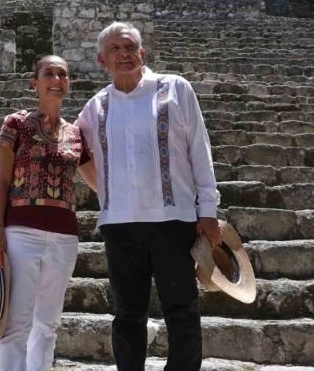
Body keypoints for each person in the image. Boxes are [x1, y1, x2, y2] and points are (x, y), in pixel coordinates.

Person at [75, 22, 221, 371]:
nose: (124, 54)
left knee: (182, 308)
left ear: (142, 53)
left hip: (174, 220)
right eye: (115, 49)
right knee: (127, 314)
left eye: (130, 48)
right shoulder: (96, 107)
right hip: (120, 225)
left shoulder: (175, 89)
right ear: (101, 59)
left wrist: (209, 211)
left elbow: (199, 150)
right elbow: (77, 153)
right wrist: (107, 192)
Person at [0, 55, 92, 371]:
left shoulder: (76, 135)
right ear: (35, 82)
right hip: (21, 232)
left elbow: (99, 182)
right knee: (15, 322)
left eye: (63, 74)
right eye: (49, 73)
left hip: (64, 237)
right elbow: (3, 180)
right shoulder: (16, 124)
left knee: (47, 323)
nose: (57, 79)